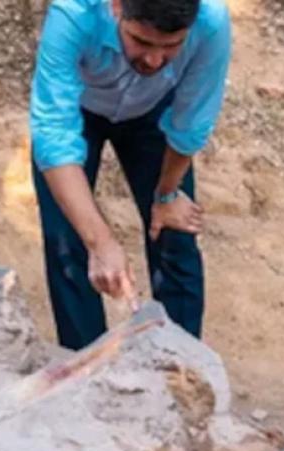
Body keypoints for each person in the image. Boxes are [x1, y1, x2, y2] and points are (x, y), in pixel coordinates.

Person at [29, 0, 230, 349]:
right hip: (79, 109)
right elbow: (54, 137)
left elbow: (191, 120)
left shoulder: (211, 21)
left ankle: (182, 364)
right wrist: (100, 242)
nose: (154, 60)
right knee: (69, 242)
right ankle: (86, 366)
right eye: (141, 41)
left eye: (172, 46)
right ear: (116, 6)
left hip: (154, 111)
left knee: (175, 233)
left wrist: (166, 194)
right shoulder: (73, 13)